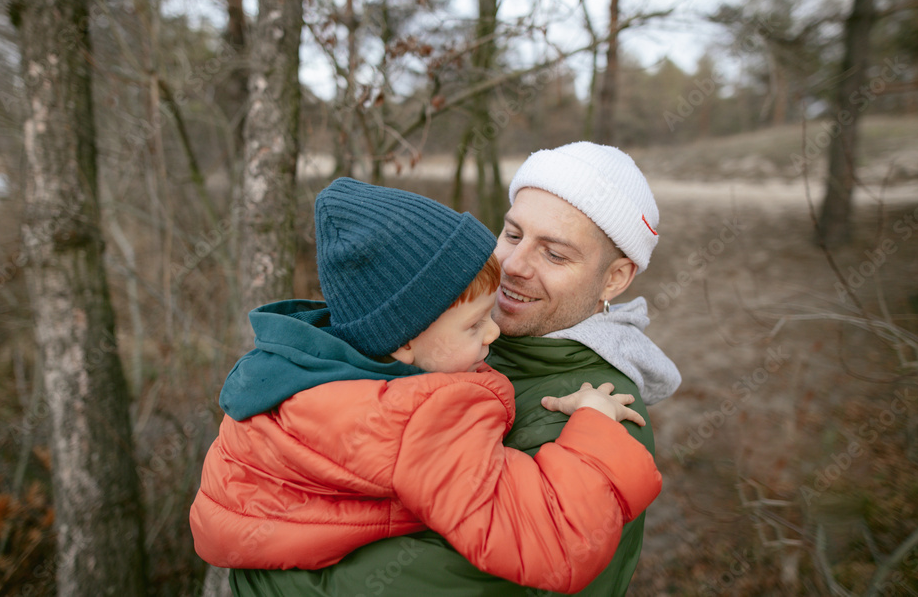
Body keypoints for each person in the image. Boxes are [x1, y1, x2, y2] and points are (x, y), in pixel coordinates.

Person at [226, 142, 682, 597]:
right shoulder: (439, 338)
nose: (514, 266)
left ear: (615, 278)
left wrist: (255, 572)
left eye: (555, 254)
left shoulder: (600, 413)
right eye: (513, 234)